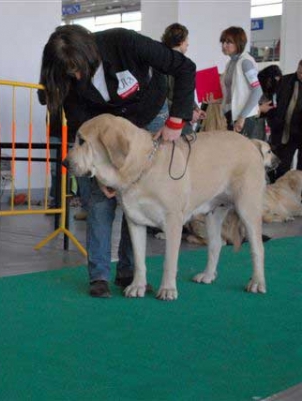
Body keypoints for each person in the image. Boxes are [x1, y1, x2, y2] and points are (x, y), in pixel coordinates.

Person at [38, 25, 196, 298]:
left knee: (137, 194)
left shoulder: (124, 42)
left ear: (90, 52)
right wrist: (100, 175)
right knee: (100, 200)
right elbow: (80, 127)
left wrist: (176, 120)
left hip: (150, 114)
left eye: (78, 68)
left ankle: (129, 273)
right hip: (106, 129)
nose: (75, 76)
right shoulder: (69, 82)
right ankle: (99, 276)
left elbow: (185, 67)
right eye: (68, 72)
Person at [219, 26, 264, 139]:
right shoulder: (230, 63)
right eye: (223, 42)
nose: (224, 45)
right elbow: (233, 93)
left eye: (229, 42)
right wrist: (217, 101)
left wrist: (242, 117)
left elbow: (257, 91)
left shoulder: (245, 62)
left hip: (244, 117)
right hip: (232, 114)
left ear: (238, 43)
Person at [161, 23, 206, 134]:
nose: (188, 43)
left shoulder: (164, 60)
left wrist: (195, 108)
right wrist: (190, 113)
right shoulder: (180, 65)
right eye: (186, 40)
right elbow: (170, 96)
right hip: (174, 120)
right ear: (181, 41)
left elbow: (185, 92)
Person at [265, 60, 302, 181]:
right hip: (285, 134)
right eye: (300, 71)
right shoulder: (284, 81)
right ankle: (279, 196)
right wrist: (272, 122)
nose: (301, 74)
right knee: (281, 170)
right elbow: (271, 102)